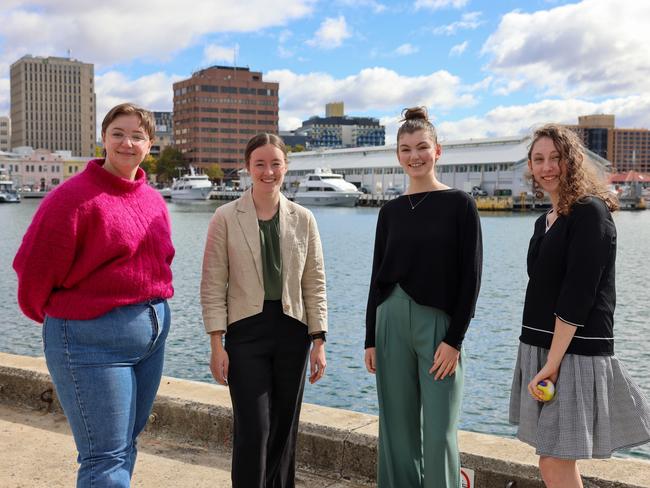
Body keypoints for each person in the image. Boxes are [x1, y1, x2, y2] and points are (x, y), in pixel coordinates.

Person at [13, 102, 175, 487]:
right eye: (118, 133)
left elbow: (161, 261)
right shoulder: (72, 198)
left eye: (138, 135)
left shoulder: (151, 198)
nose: (127, 143)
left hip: (150, 338)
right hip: (91, 341)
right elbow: (32, 270)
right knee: (105, 458)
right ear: (103, 138)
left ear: (150, 145)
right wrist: (67, 321)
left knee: (124, 447)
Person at [509, 124, 650, 488]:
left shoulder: (590, 212)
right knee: (555, 458)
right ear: (530, 166)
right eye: (539, 159)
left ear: (573, 161)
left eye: (556, 158)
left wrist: (552, 365)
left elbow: (578, 295)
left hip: (572, 351)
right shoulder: (546, 220)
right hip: (544, 347)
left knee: (553, 460)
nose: (547, 167)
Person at [200, 133, 327, 488]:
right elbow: (212, 283)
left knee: (285, 430)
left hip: (293, 331)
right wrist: (216, 343)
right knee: (253, 430)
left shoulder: (303, 219)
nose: (268, 171)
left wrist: (318, 340)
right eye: (260, 164)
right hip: (245, 333)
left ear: (286, 167)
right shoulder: (225, 217)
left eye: (275, 163)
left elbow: (314, 283)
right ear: (247, 168)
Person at [364, 107, 482, 488]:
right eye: (405, 149)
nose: (414, 156)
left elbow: (471, 278)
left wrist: (455, 340)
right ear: (397, 155)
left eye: (421, 147)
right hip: (390, 321)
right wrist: (370, 338)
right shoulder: (390, 211)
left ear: (437, 151)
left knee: (438, 432)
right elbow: (376, 278)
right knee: (396, 432)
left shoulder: (460, 204)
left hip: (438, 327)